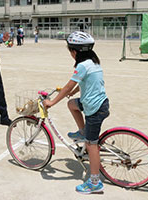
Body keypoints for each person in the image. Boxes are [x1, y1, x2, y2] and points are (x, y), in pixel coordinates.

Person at [43, 31, 109, 194]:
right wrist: (75, 91)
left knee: (91, 145)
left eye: (70, 51)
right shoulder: (93, 62)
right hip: (99, 103)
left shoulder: (82, 65)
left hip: (94, 109)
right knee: (72, 104)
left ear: (76, 51)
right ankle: (82, 131)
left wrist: (51, 102)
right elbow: (85, 82)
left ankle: (95, 182)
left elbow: (67, 86)